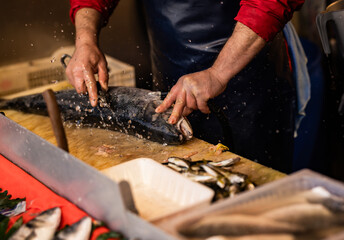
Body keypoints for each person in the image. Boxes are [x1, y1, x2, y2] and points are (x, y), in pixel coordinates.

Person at [66, 0, 304, 173]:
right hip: (172, 76)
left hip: (248, 84)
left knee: (253, 191)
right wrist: (86, 39)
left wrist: (219, 73)